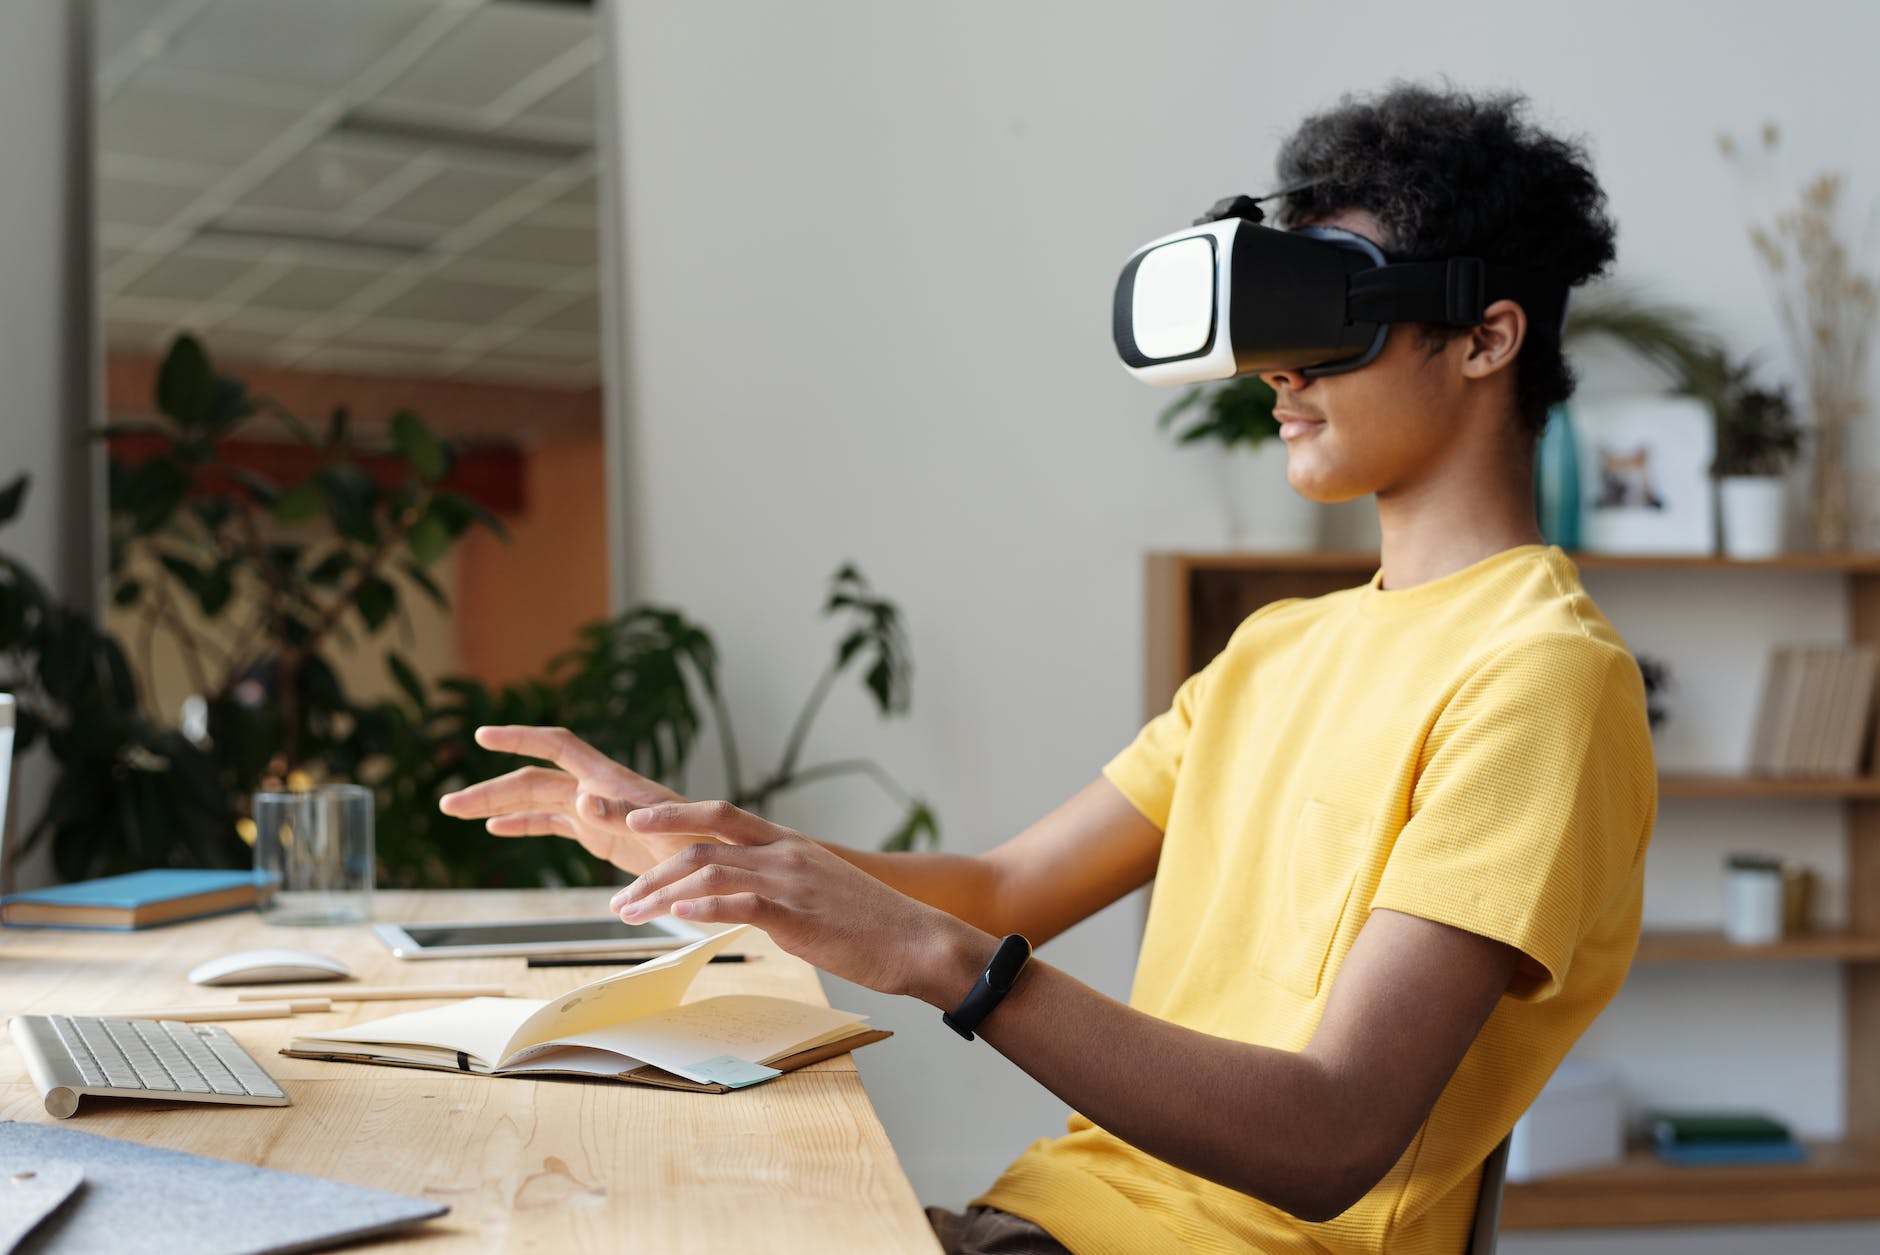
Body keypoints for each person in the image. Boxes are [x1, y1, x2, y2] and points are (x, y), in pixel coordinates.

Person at [439, 83, 1654, 1255]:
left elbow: (1333, 1131)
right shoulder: (1279, 649)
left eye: (1328, 316)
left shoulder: (1537, 676)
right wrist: (720, 851)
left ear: (1486, 338)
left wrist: (946, 965)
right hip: (1040, 1219)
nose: (1276, 371)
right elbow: (1005, 885)